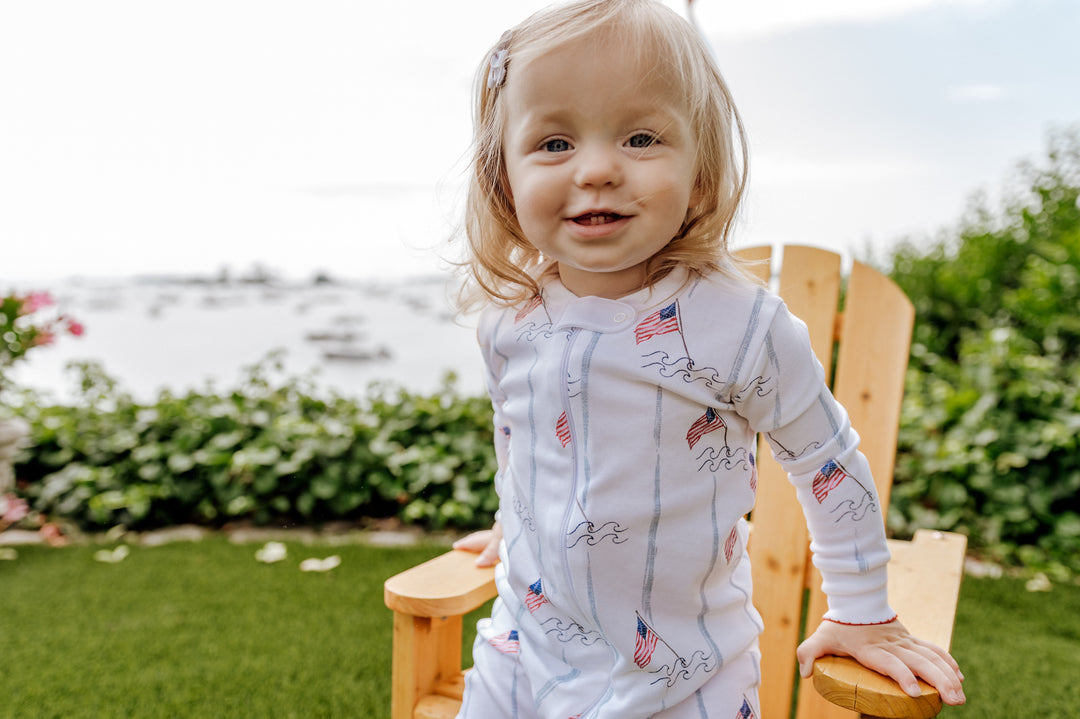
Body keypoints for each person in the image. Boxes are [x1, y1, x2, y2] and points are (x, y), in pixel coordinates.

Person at [450, 1, 966, 717]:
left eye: (639, 136)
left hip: (682, 679)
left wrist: (862, 608)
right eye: (554, 143)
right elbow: (521, 435)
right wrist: (520, 522)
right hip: (522, 656)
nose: (597, 168)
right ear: (502, 175)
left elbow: (825, 458)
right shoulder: (510, 318)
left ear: (701, 168)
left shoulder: (738, 325)